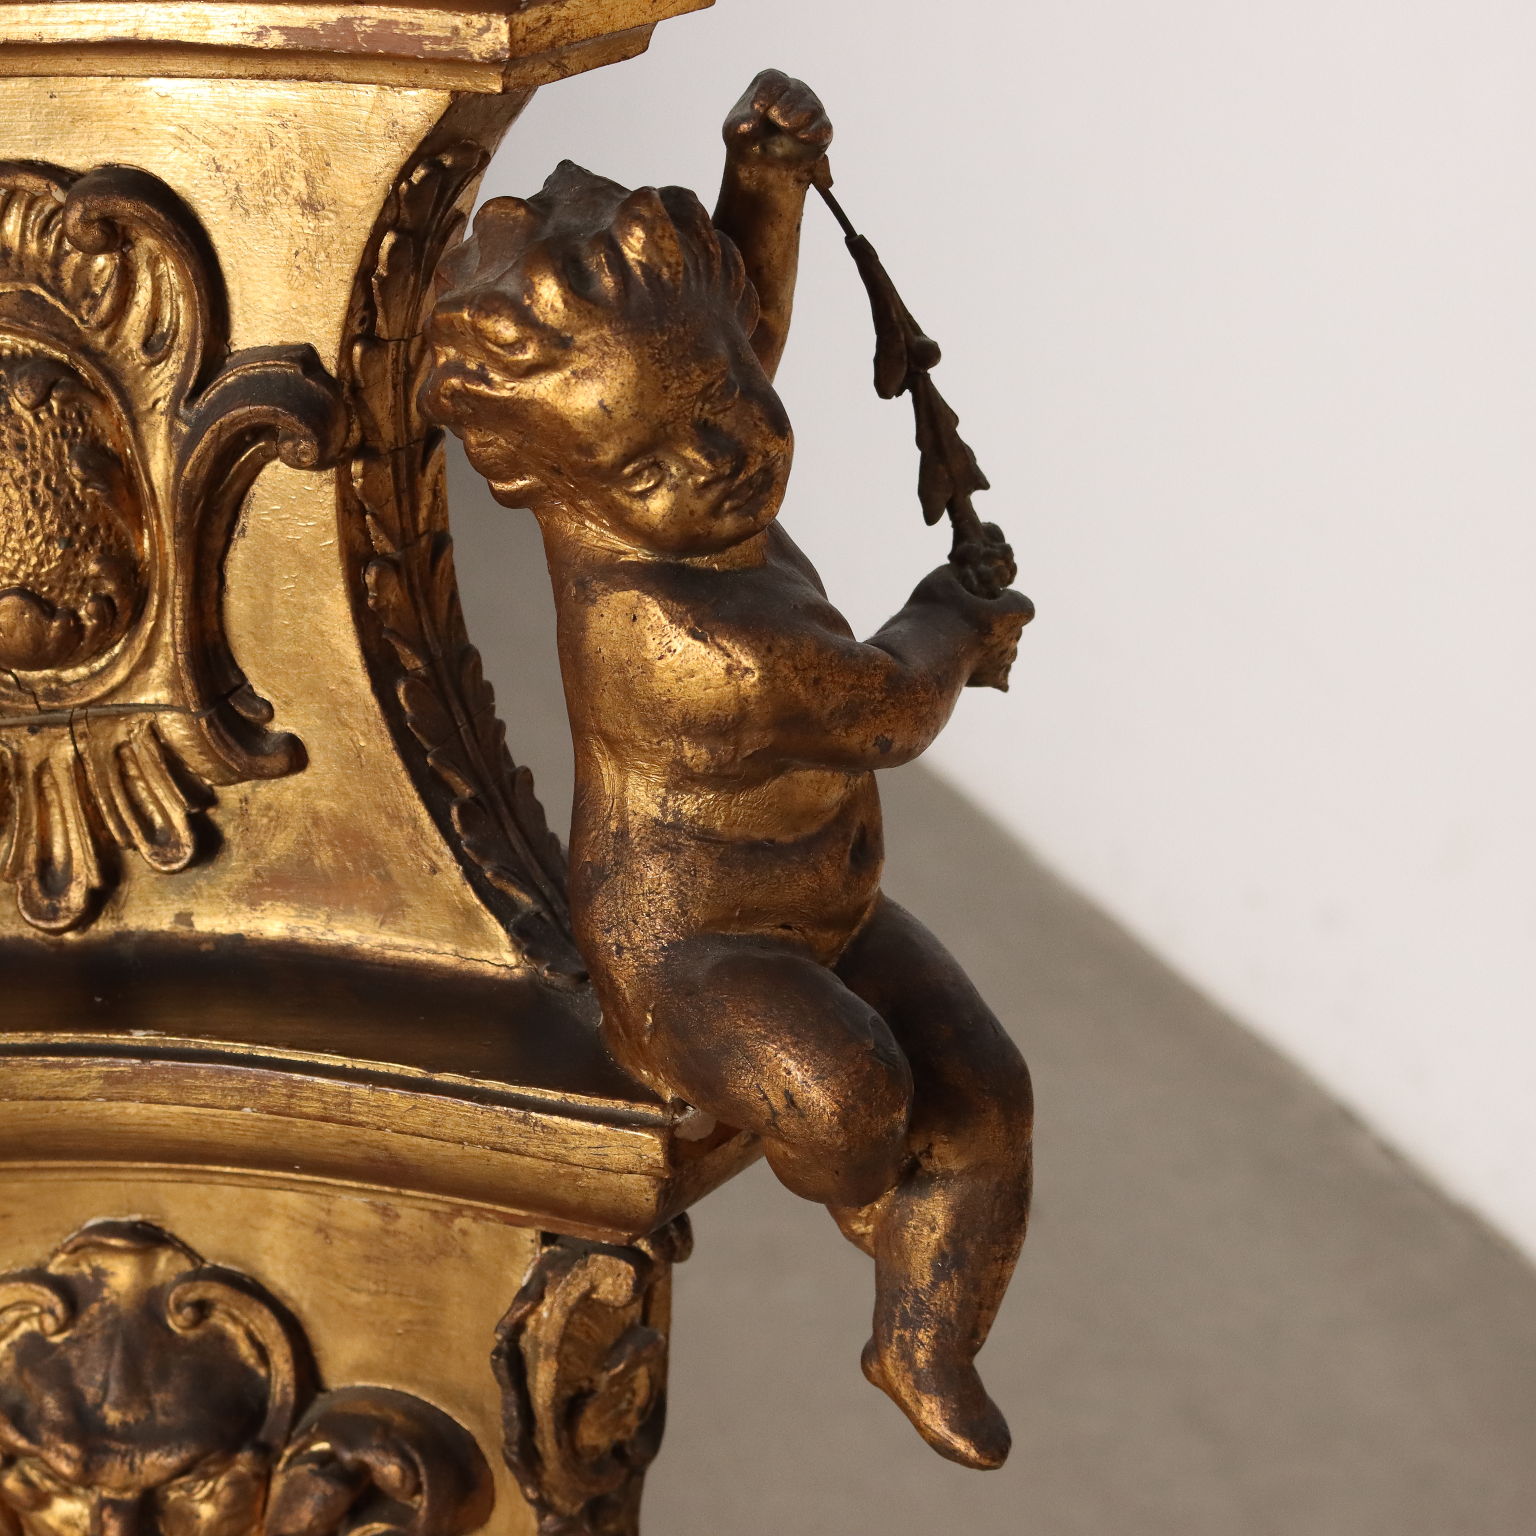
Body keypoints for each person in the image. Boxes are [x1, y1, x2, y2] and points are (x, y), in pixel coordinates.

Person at [422, 71, 1035, 1471]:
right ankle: (846, 1177)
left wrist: (762, 184)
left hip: (833, 915)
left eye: (733, 404)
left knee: (990, 1097)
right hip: (695, 956)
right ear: (553, 482)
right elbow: (886, 713)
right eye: (650, 465)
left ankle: (922, 1340)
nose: (721, 461)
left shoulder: (667, 452)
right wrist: (956, 616)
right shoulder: (679, 636)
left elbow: (742, 330)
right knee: (853, 1096)